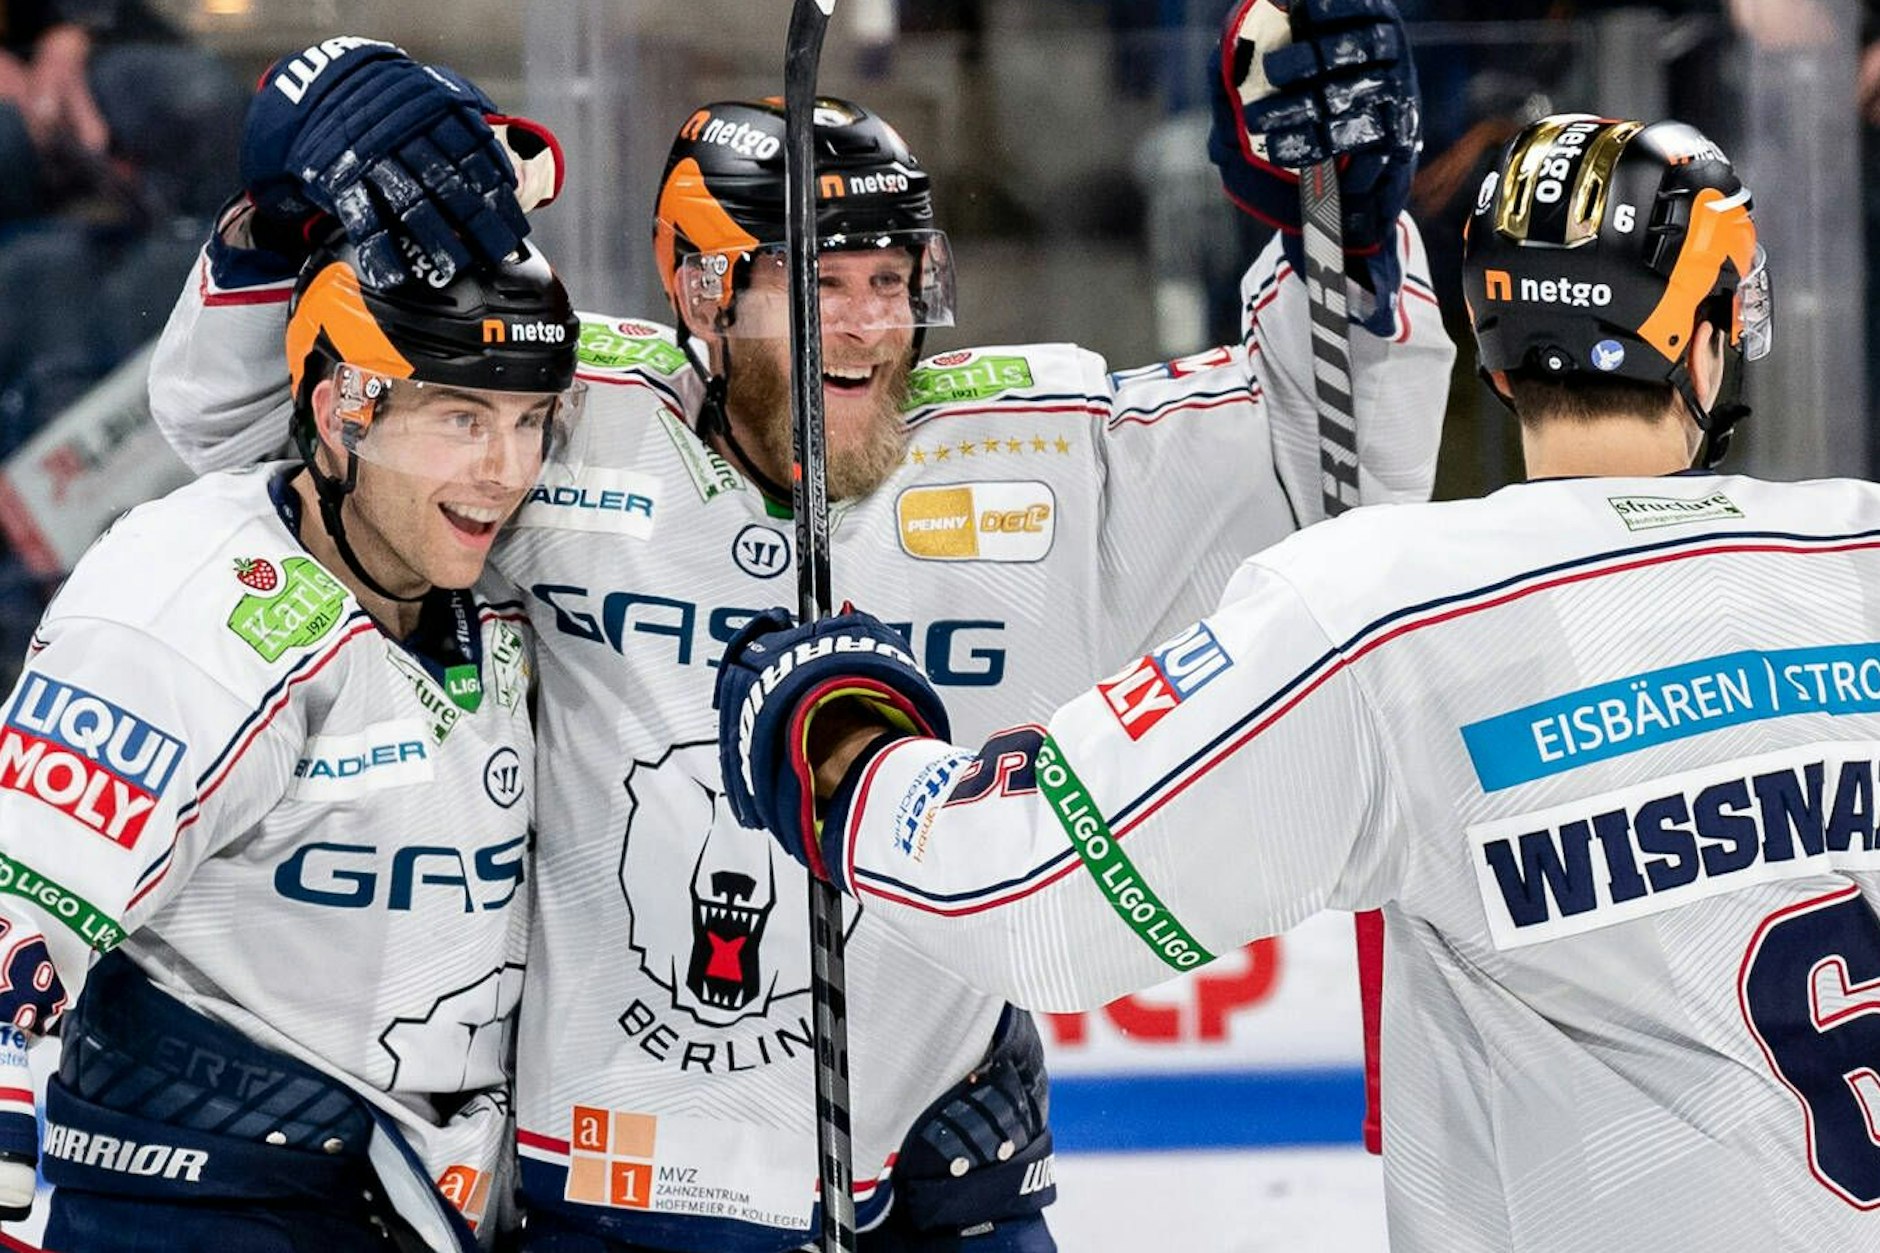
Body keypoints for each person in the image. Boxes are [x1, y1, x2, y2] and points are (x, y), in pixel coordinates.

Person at [144, 4, 1452, 1248]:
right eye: (824, 284)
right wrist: (283, 212)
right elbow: (253, 428)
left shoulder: (1034, 453)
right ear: (703, 294)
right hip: (596, 1184)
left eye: (895, 280)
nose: (877, 325)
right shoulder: (555, 409)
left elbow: (1329, 473)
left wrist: (1334, 215)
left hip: (933, 1185)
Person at [715, 113, 1880, 1253]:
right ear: (1707, 335)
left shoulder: (1392, 609)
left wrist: (843, 746)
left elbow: (1034, 892)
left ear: (1490, 339)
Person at [0, 233, 584, 1251]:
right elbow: (20, 888)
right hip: (192, 1198)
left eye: (531, 421)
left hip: (409, 1192)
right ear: (338, 412)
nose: (505, 471)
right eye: (462, 418)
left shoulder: (496, 583)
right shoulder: (189, 598)